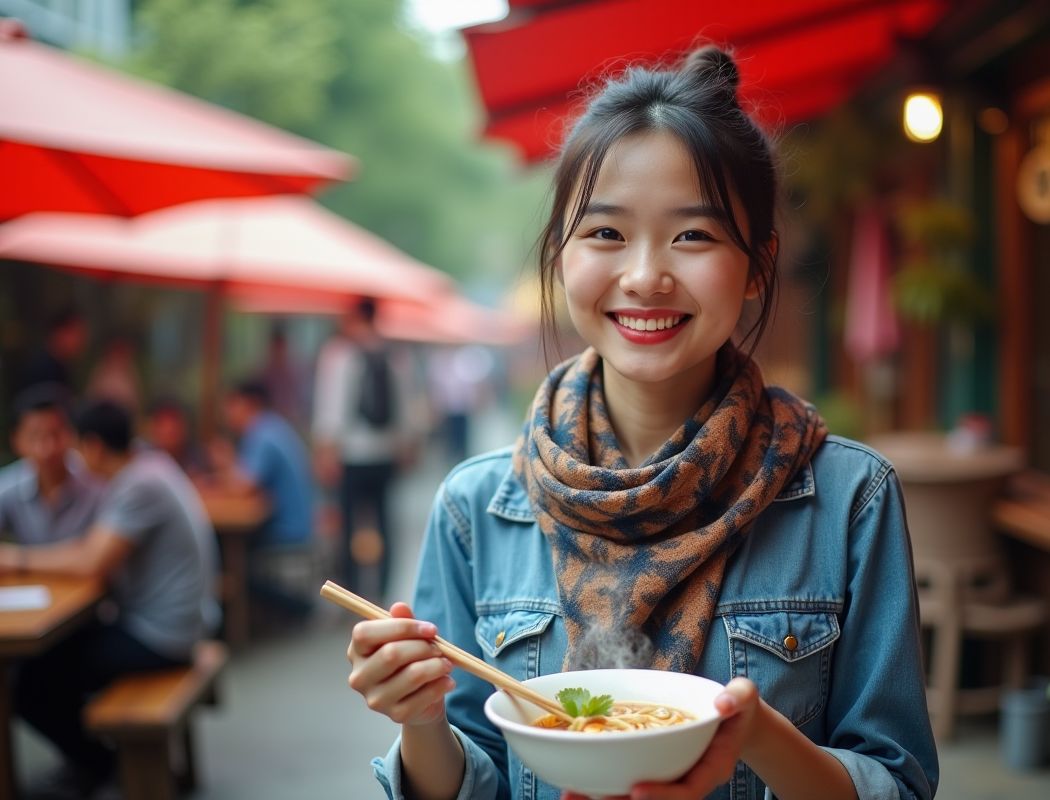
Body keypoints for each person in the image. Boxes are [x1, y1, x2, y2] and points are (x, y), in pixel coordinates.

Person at [345, 48, 937, 800]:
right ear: (560, 255)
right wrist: (420, 722)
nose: (646, 275)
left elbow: (898, 784)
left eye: (692, 235)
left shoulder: (849, 497)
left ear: (757, 266)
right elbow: (474, 780)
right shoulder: (476, 507)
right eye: (606, 234)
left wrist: (756, 738)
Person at [0, 401, 220, 794]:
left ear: (93, 446)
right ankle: (90, 763)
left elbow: (92, 561)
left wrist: (13, 558)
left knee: (29, 684)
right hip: (174, 623)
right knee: (44, 671)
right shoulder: (150, 469)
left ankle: (101, 764)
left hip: (161, 636)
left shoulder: (137, 483)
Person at [313, 298, 409, 597]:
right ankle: (381, 589)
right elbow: (405, 408)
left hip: (350, 454)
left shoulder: (339, 354)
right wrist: (405, 445)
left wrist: (325, 452)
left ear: (354, 316)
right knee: (384, 522)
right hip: (385, 453)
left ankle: (351, 591)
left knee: (349, 525)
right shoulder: (395, 355)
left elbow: (331, 408)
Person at [0, 383, 103, 545]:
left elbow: (98, 557)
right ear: (16, 440)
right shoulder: (4, 485)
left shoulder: (96, 484)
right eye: (35, 436)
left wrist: (13, 559)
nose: (48, 448)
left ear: (71, 433)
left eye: (56, 434)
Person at [216, 379, 314, 547]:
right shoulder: (272, 426)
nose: (226, 413)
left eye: (232, 404)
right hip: (300, 530)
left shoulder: (261, 432)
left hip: (287, 535)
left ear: (252, 403)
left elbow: (242, 488)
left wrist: (224, 464)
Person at [21, 307, 88, 392]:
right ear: (59, 333)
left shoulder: (61, 367)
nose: (82, 340)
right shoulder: (44, 371)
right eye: (77, 333)